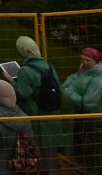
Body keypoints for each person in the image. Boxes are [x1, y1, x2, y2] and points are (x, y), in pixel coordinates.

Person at [62, 46, 102, 175]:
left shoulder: (98, 81)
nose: (84, 63)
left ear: (97, 62)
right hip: (92, 120)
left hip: (96, 121)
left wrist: (69, 93)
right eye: (82, 59)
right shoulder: (91, 74)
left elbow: (88, 103)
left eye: (88, 60)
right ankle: (92, 168)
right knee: (90, 145)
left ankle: (95, 171)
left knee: (94, 147)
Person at [11, 36, 66, 167]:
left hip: (36, 114)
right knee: (50, 143)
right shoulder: (49, 66)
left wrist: (12, 82)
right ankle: (51, 169)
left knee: (36, 143)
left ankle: (37, 170)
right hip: (52, 111)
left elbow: (23, 93)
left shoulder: (25, 70)